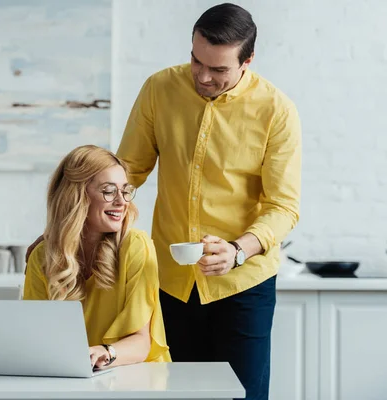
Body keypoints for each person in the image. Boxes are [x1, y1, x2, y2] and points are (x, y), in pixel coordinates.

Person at [116, 3, 301, 400]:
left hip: (243, 283)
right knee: (171, 393)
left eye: (219, 70)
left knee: (242, 396)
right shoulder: (159, 89)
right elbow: (128, 171)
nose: (203, 76)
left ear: (247, 61)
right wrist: (76, 222)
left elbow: (283, 207)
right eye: (196, 61)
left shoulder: (276, 111)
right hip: (169, 281)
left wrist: (237, 251)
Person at [23, 145, 171, 370]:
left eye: (125, 190)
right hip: (76, 378)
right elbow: (35, 337)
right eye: (109, 191)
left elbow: (141, 342)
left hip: (139, 377)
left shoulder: (135, 246)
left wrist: (105, 353)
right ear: (77, 196)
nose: (122, 201)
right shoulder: (43, 256)